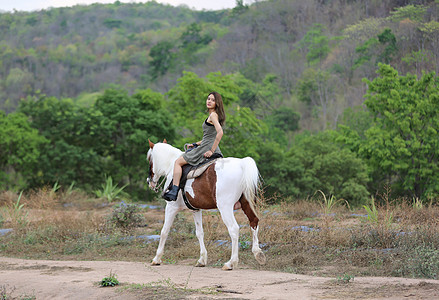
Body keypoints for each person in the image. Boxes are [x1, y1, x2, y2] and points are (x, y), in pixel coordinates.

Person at [163, 92, 225, 201]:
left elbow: (220, 132)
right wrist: (196, 144)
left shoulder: (213, 115)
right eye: (208, 99)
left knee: (178, 162)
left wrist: (211, 151)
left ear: (217, 103)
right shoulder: (214, 115)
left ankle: (174, 190)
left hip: (206, 149)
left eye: (213, 100)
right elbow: (209, 137)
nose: (209, 101)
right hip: (205, 145)